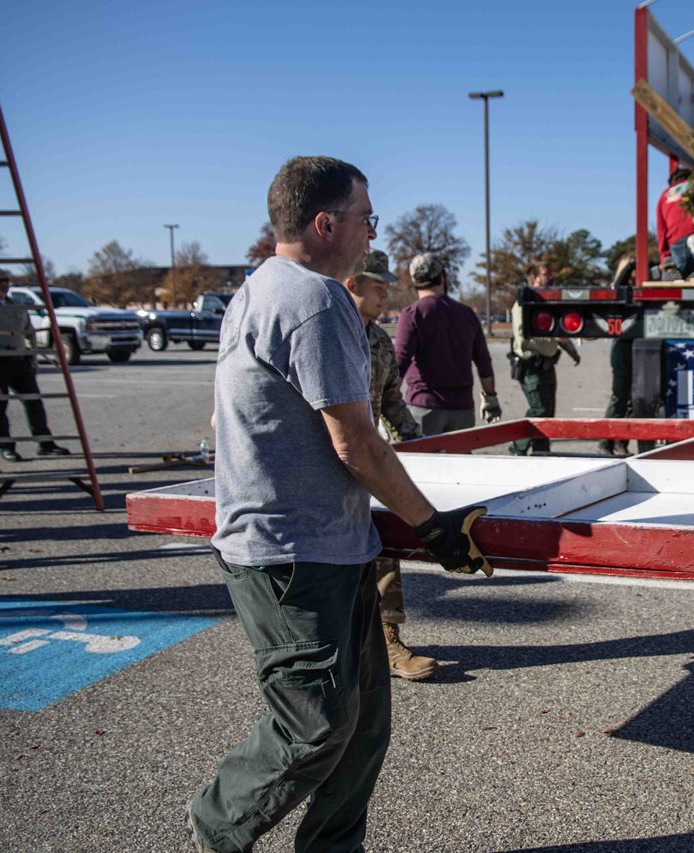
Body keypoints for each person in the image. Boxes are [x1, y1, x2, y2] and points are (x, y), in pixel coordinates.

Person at [191, 156, 493, 853]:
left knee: (361, 727)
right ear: (326, 224)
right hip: (292, 553)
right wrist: (432, 527)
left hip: (327, 543)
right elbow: (355, 439)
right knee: (315, 724)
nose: (369, 233)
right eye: (365, 218)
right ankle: (216, 827)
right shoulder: (315, 299)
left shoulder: (258, 287)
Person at [341, 250, 438, 682]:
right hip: (330, 465)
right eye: (376, 283)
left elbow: (393, 401)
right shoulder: (330, 335)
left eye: (387, 284)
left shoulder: (378, 341)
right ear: (352, 284)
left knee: (381, 548)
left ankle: (387, 638)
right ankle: (346, 644)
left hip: (369, 461)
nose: (386, 291)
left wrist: (419, 444)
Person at [394, 252, 500, 436]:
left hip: (424, 407)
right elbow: (483, 361)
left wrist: (386, 405)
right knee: (459, 463)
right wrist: (490, 397)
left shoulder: (412, 314)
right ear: (442, 277)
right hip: (462, 409)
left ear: (414, 281)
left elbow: (399, 362)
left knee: (423, 464)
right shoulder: (467, 314)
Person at [0, 268, 71, 461]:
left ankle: (45, 443)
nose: (4, 284)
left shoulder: (17, 305)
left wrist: (32, 357)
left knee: (34, 402)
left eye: (7, 280)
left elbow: (29, 332)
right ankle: (5, 446)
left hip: (20, 359)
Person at [509, 260, 580, 456]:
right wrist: (551, 335)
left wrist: (572, 351)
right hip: (531, 366)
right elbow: (523, 336)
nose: (551, 278)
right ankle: (517, 448)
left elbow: (560, 331)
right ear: (534, 278)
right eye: (546, 274)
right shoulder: (524, 305)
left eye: (551, 274)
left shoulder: (547, 303)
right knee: (538, 410)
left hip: (548, 366)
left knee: (548, 415)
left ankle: (542, 453)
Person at [598, 253, 635, 457]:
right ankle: (605, 440)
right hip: (622, 345)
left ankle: (621, 441)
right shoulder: (621, 290)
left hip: (638, 346)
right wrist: (628, 266)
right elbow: (617, 285)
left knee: (633, 400)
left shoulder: (640, 288)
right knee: (619, 396)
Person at [657, 168, 694, 280]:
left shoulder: (665, 195)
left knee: (680, 284)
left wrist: (664, 256)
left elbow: (661, 230)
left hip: (676, 242)